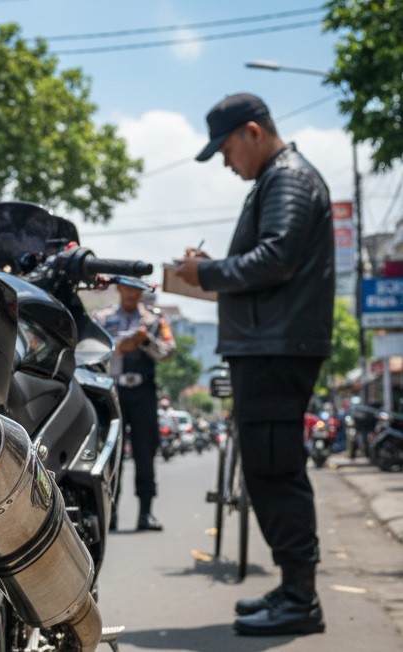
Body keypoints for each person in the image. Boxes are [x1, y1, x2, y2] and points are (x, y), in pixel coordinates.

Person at [172, 92, 333, 637]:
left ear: (253, 132)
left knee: (275, 471)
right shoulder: (279, 179)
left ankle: (302, 600)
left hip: (275, 348)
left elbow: (276, 258)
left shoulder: (287, 179)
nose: (225, 161)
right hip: (270, 346)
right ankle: (293, 588)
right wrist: (213, 269)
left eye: (226, 149)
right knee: (269, 469)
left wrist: (207, 273)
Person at [94, 279, 174, 531]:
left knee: (145, 452)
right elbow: (91, 351)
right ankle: (110, 513)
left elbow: (168, 351)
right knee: (111, 452)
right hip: (112, 391)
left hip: (143, 392)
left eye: (136, 290)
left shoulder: (154, 320)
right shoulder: (102, 317)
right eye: (127, 288)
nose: (132, 294)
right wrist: (120, 347)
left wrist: (146, 341)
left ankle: (146, 513)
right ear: (119, 289)